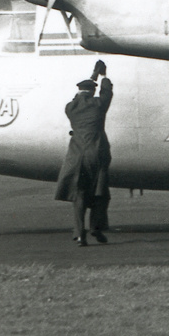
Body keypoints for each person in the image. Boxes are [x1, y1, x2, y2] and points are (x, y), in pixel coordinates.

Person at [53, 60, 113, 245]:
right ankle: (96, 228)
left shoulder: (70, 108)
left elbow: (78, 97)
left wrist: (92, 76)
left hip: (76, 155)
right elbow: (107, 91)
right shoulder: (98, 105)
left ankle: (80, 234)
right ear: (93, 92)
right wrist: (103, 76)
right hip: (97, 153)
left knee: (79, 195)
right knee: (100, 194)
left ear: (79, 92)